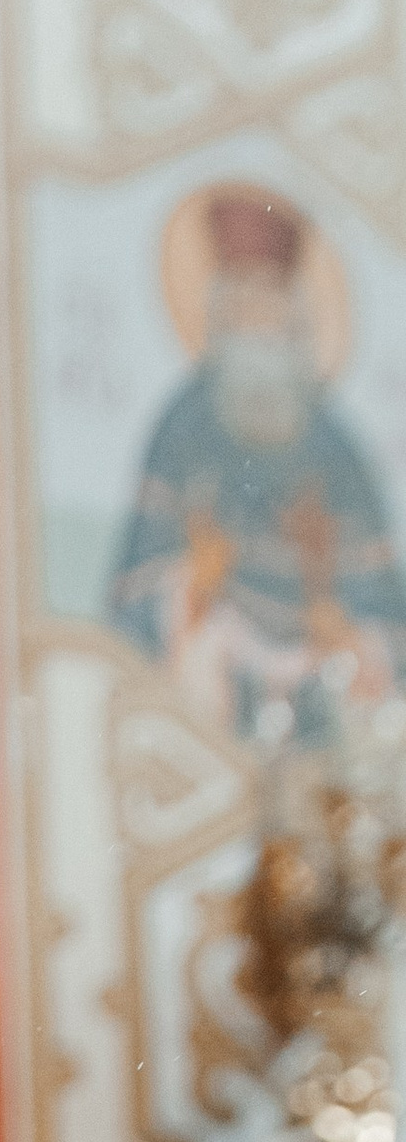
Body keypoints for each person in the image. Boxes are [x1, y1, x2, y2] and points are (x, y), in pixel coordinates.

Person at [109, 186, 406, 748]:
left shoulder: (337, 448)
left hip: (323, 709)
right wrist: (190, 587)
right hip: (210, 695)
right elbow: (134, 590)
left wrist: (346, 630)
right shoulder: (182, 428)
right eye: (239, 302)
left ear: (297, 318)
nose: (255, 321)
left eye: (268, 300)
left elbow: (386, 613)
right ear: (217, 314)